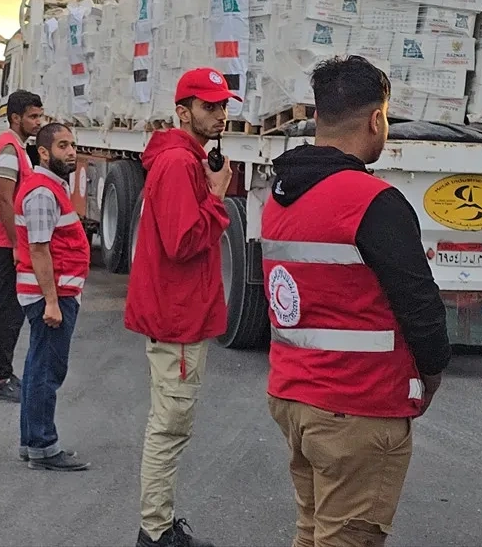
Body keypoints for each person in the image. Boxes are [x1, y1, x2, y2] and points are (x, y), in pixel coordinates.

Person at [261, 56, 451, 547]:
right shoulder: (371, 201)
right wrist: (431, 375)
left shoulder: (278, 197)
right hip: (356, 405)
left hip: (295, 396)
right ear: (376, 119)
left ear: (317, 116)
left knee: (313, 533)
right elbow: (420, 306)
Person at [125, 68, 238, 547]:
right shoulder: (178, 163)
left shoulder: (186, 159)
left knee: (171, 425)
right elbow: (182, 242)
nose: (220, 114)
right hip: (178, 318)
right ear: (183, 112)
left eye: (223, 105)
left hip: (181, 311)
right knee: (170, 428)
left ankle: (158, 526)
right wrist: (217, 196)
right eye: (209, 106)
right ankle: (155, 532)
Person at [15, 123, 90, 472]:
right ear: (43, 152)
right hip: (51, 295)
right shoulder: (43, 193)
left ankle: (32, 441)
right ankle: (43, 447)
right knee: (46, 371)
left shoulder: (49, 188)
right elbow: (39, 249)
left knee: (38, 368)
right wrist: (51, 302)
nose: (71, 151)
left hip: (54, 292)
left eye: (72, 144)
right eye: (62, 146)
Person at [0, 90, 45, 402]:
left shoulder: (16, 146)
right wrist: (17, 244)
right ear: (15, 118)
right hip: (5, 240)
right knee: (8, 308)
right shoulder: (8, 148)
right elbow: (5, 198)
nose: (38, 122)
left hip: (6, 239)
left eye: (40, 116)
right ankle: (0, 378)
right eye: (33, 116)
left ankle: (3, 374)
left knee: (11, 308)